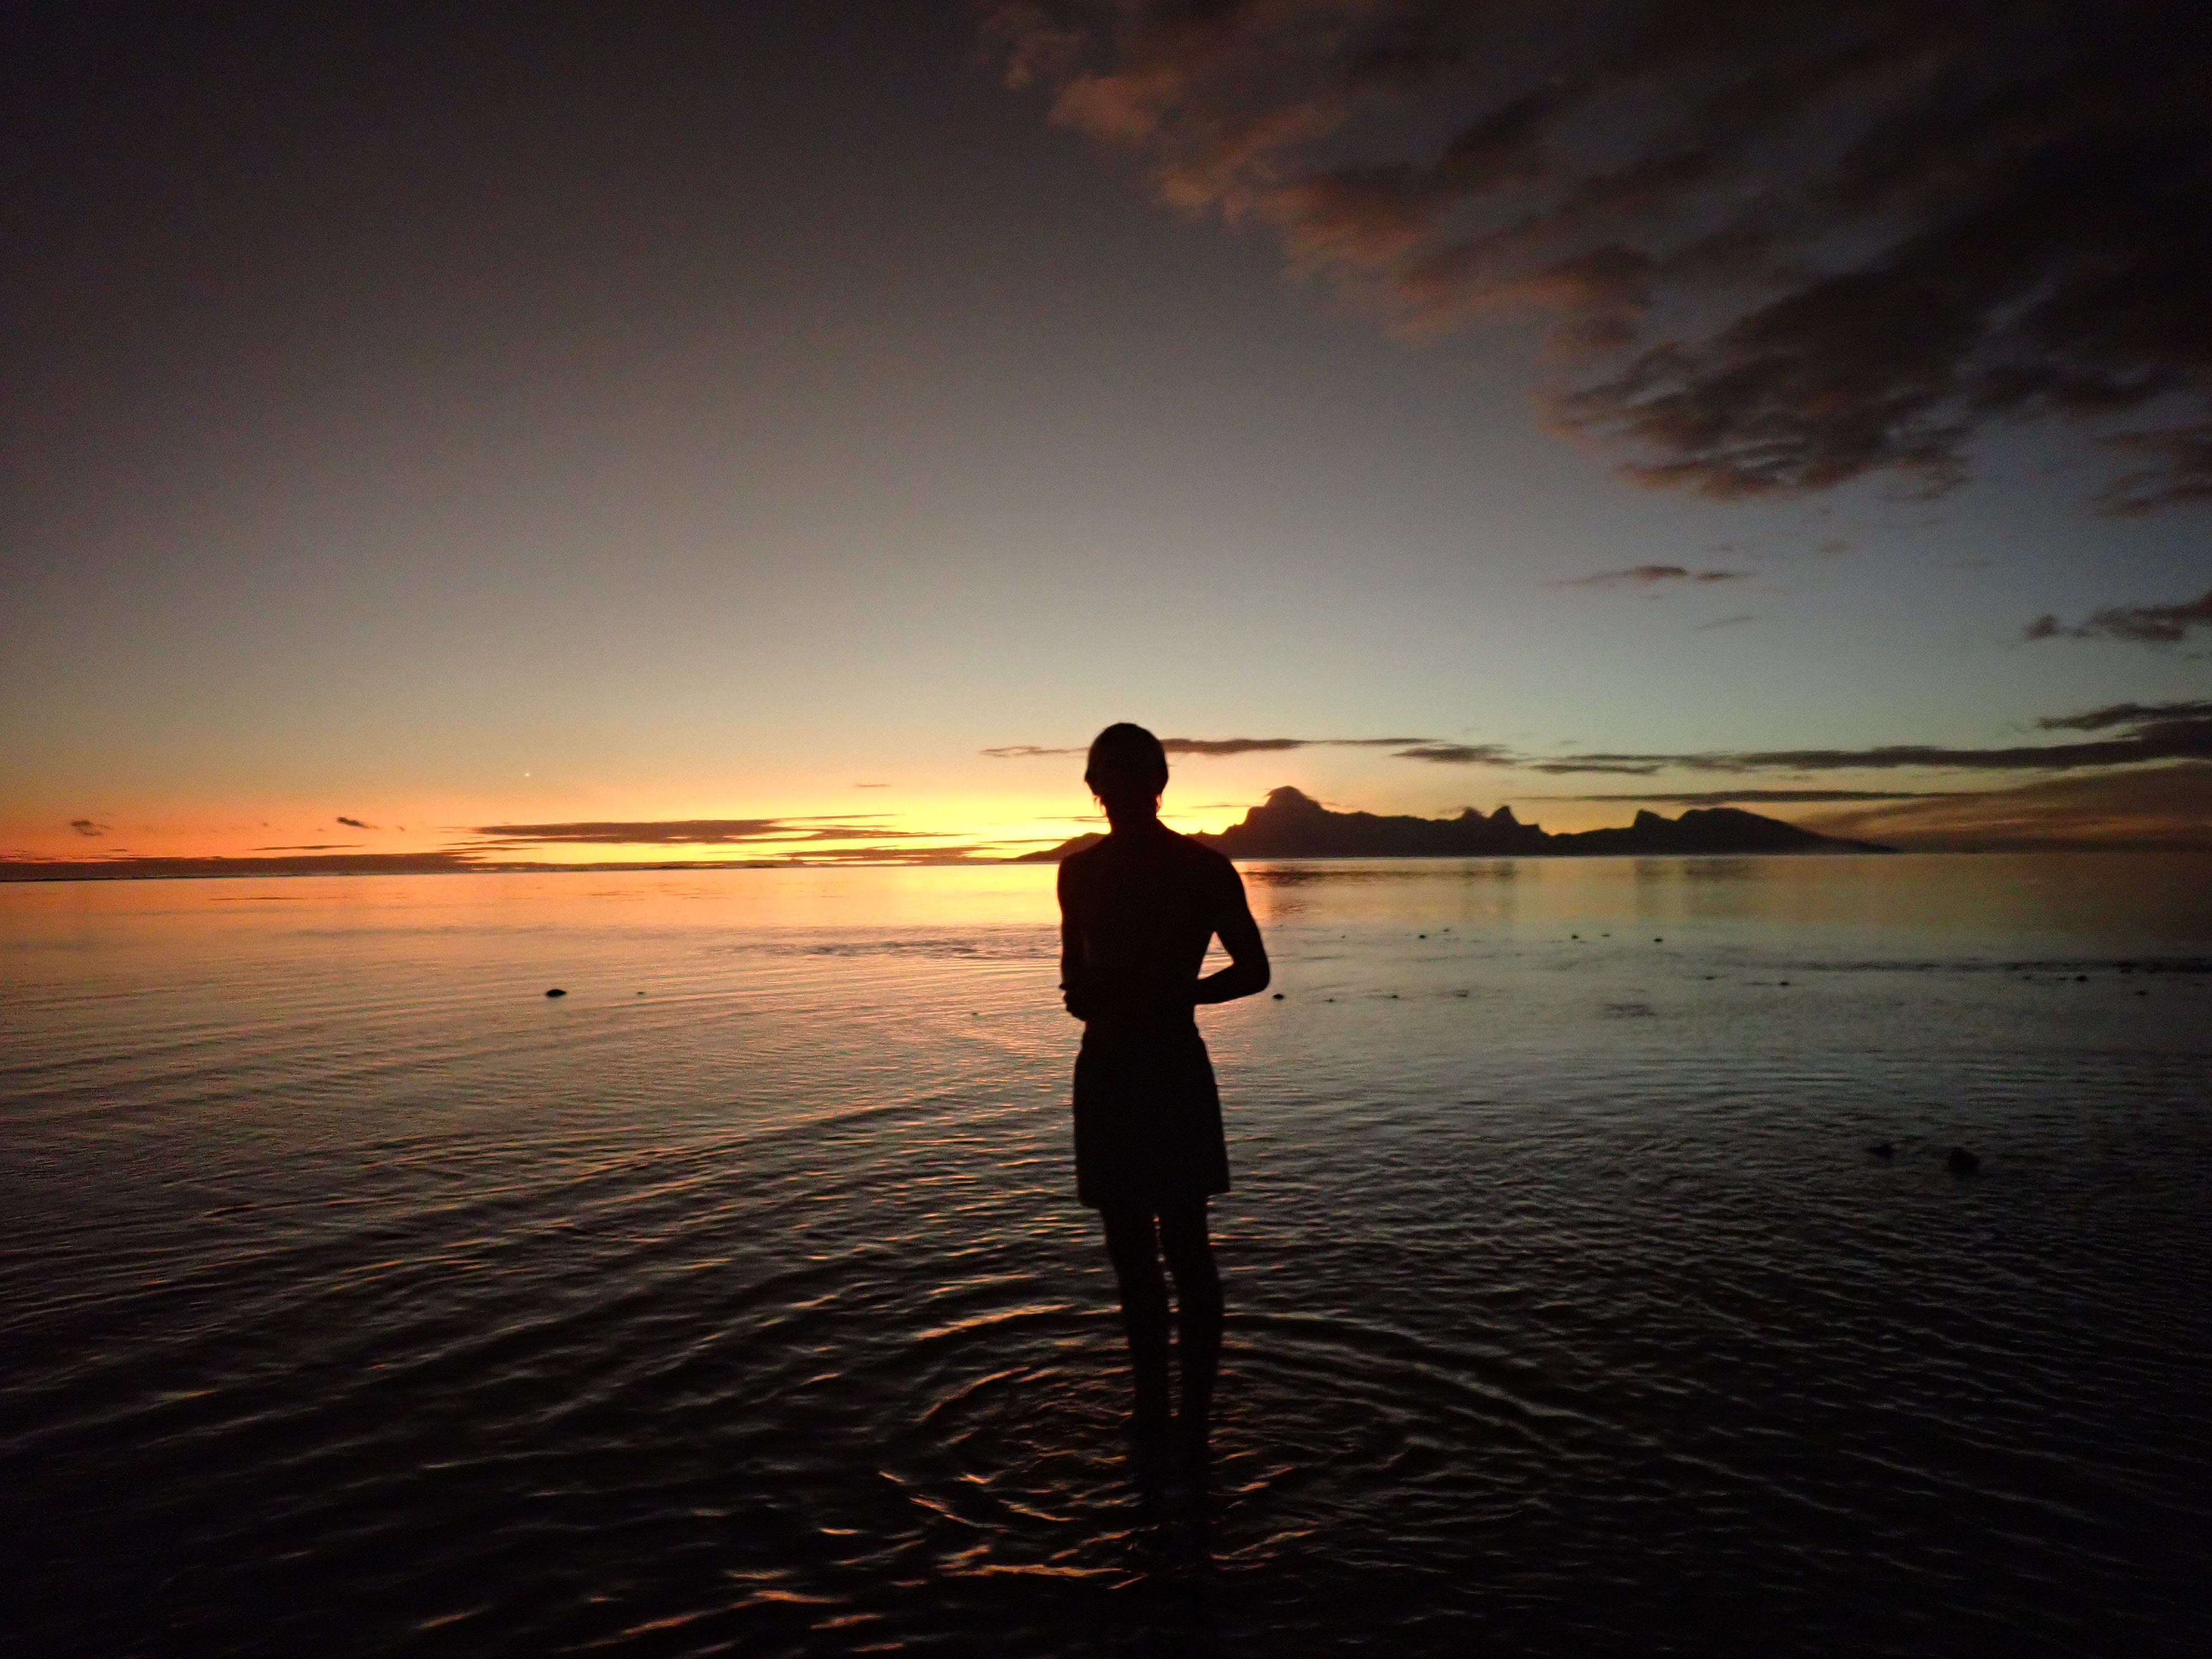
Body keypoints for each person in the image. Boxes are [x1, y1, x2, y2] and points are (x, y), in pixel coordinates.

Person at [1056, 722, 1270, 1487]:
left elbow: (1253, 969)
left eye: (1130, 776)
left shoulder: (1204, 870)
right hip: (1108, 1067)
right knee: (1128, 1253)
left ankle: (1197, 1416)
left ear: (1158, 783)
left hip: (1173, 1064)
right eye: (1106, 778)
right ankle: (1150, 1409)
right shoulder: (1076, 875)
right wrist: (1091, 997)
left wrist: (1180, 991)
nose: (1116, 791)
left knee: (1185, 1244)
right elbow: (1072, 981)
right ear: (1095, 786)